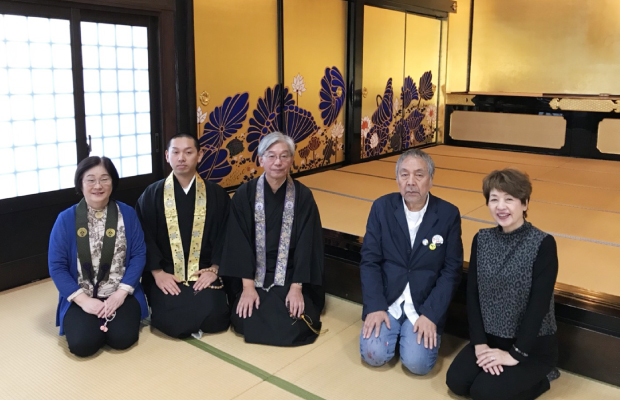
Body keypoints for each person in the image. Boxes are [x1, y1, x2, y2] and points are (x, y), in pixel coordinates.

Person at [446, 169, 559, 400]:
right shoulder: (482, 239)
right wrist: (479, 344)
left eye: (509, 199)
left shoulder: (543, 244)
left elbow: (538, 307)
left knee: (483, 393)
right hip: (490, 338)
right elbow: (473, 294)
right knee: (456, 382)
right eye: (494, 199)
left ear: (525, 204)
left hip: (530, 346)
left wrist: (515, 355)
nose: (501, 207)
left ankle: (544, 377)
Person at [359, 148, 463, 375]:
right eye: (404, 174)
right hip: (389, 301)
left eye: (419, 175)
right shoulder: (381, 208)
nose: (411, 182)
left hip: (424, 304)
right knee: (374, 355)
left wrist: (431, 314)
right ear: (397, 179)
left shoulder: (448, 214)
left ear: (431, 179)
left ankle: (406, 336)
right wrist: (375, 306)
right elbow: (369, 261)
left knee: (418, 364)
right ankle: (397, 334)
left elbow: (452, 270)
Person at [219, 132, 325, 346]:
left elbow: (308, 244)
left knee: (296, 320)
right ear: (261, 160)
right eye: (271, 156)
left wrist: (297, 287)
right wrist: (248, 287)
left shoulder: (303, 196)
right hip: (251, 273)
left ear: (291, 160)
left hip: (292, 274)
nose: (278, 162)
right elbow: (238, 243)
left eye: (284, 156)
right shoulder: (244, 194)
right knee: (244, 317)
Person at [49, 156, 148, 357]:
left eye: (104, 179)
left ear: (113, 182)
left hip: (120, 293)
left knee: (122, 339)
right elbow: (57, 266)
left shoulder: (127, 214)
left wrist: (120, 294)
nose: (98, 186)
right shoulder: (65, 219)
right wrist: (84, 301)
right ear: (80, 183)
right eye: (90, 180)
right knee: (82, 345)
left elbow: (139, 255)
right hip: (81, 295)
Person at [135, 134, 231, 339]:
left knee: (216, 316)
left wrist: (215, 268)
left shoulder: (217, 194)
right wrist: (157, 272)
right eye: (176, 152)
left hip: (204, 270)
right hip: (166, 270)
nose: (181, 158)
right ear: (167, 156)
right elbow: (143, 237)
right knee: (173, 321)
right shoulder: (151, 194)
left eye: (188, 152)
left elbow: (227, 234)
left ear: (199, 155)